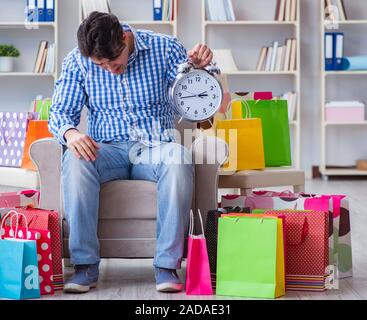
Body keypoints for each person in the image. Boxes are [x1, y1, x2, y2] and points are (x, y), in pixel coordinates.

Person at [48, 11, 213, 294]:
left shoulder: (165, 47)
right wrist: (71, 134)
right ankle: (85, 267)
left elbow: (194, 91)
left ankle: (166, 266)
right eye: (100, 65)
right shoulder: (77, 60)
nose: (109, 69)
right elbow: (60, 112)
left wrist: (198, 69)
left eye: (114, 62)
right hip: (106, 150)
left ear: (124, 38)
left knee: (179, 157)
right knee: (75, 159)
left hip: (156, 147)